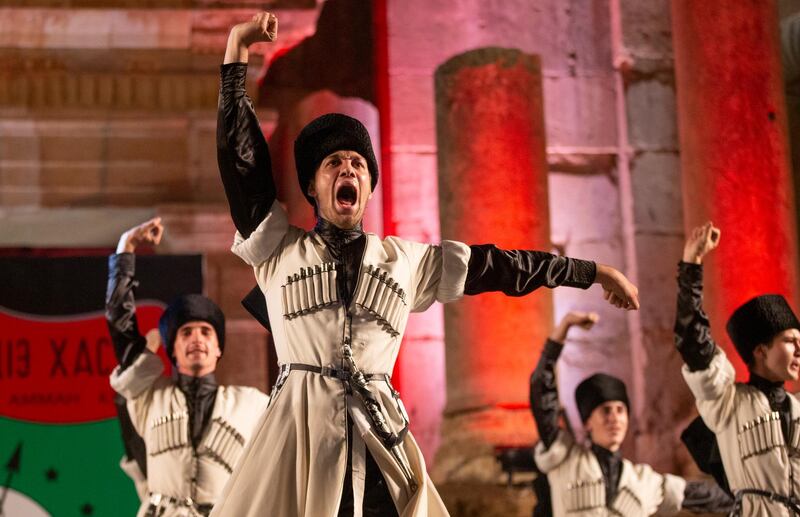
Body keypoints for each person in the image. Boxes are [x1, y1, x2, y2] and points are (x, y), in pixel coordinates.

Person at [211, 12, 641, 517]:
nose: (347, 168)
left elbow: (497, 266)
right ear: (311, 187)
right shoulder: (279, 251)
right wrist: (236, 57)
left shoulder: (404, 261)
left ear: (369, 186)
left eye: (358, 164)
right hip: (300, 438)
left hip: (379, 443)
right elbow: (245, 168)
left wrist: (589, 273)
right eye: (333, 163)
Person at [106, 217, 270, 517]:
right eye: (186, 332)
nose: (197, 339)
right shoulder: (148, 397)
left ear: (218, 347)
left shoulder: (252, 404)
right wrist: (125, 250)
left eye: (206, 332)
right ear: (172, 349)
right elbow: (122, 330)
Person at [530, 311, 732, 516]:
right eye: (605, 410)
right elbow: (542, 394)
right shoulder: (566, 460)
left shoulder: (643, 481)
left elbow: (703, 496)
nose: (614, 418)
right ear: (587, 422)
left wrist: (753, 490)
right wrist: (563, 328)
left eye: (620, 410)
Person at [676, 222, 800, 515]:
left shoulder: (796, 408)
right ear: (761, 350)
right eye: (790, 341)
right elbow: (695, 344)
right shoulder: (728, 401)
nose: (799, 349)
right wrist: (691, 265)